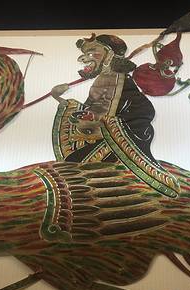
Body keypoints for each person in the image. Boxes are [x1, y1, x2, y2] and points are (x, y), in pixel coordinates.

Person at [50, 33, 179, 197]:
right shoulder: (102, 79)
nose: (82, 58)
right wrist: (60, 99)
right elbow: (92, 109)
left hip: (116, 140)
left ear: (109, 54)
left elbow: (136, 111)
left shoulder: (120, 80)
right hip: (100, 136)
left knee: (77, 169)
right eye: (85, 53)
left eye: (92, 52)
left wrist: (105, 121)